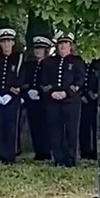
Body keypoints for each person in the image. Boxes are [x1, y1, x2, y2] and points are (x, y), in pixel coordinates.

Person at [41, 32, 85, 167]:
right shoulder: (48, 62)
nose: (62, 47)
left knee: (71, 130)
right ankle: (58, 158)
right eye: (60, 44)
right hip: (53, 101)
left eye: (65, 44)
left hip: (71, 101)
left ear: (70, 46)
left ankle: (71, 158)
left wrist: (67, 93)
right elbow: (43, 81)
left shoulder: (77, 61)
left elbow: (80, 80)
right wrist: (51, 92)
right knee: (55, 130)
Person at [0, 28, 24, 164]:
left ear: (13, 43)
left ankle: (11, 155)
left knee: (11, 127)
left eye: (9, 42)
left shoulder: (18, 58)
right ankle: (0, 155)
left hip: (12, 97)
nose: (6, 45)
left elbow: (21, 78)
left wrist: (11, 92)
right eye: (3, 42)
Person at [22, 37, 52, 161]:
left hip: (45, 101)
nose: (38, 51)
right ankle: (38, 151)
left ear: (46, 50)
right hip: (31, 100)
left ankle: (47, 151)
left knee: (46, 126)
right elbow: (24, 81)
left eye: (41, 48)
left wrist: (41, 92)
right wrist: (28, 90)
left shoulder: (50, 64)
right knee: (34, 126)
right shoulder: (29, 65)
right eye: (36, 49)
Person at [79, 57, 100, 160]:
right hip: (84, 99)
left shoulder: (99, 64)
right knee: (84, 126)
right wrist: (82, 94)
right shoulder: (82, 63)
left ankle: (97, 151)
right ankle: (85, 151)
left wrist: (98, 94)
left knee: (97, 126)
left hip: (97, 100)